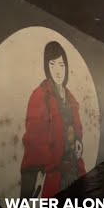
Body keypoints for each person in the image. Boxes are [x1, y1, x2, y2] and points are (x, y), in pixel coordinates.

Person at [20, 41, 86, 199]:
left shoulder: (69, 97)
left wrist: (78, 141)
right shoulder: (40, 96)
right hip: (54, 178)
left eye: (62, 65)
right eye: (53, 64)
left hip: (74, 170)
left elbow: (75, 126)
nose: (58, 71)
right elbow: (34, 143)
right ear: (47, 67)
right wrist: (51, 165)